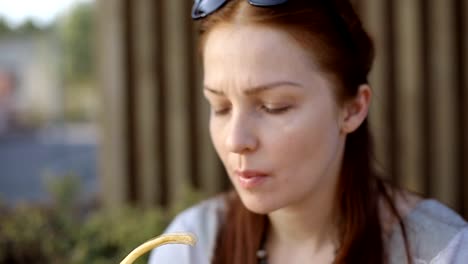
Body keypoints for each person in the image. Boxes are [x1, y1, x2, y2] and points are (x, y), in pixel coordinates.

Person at [149, 0, 468, 263]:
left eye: (273, 106)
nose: (236, 141)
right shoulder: (191, 247)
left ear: (353, 108)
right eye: (221, 107)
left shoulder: (443, 251)